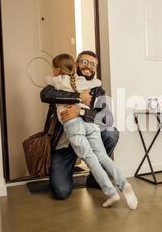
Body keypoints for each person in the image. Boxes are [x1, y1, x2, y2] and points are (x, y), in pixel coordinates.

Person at [46, 54, 137, 209]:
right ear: (76, 64)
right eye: (85, 62)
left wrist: (80, 112)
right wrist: (78, 98)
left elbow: (107, 120)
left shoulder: (95, 89)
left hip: (78, 128)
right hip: (65, 145)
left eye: (93, 64)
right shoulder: (75, 84)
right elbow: (46, 94)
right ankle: (123, 184)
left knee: (110, 134)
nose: (89, 66)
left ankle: (103, 185)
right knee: (61, 191)